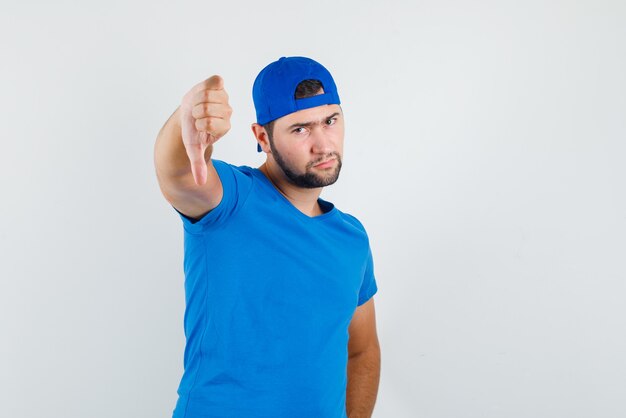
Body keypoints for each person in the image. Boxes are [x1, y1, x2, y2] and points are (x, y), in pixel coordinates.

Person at [154, 56, 380, 418]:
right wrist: (186, 123)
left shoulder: (351, 237)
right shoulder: (232, 200)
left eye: (330, 121)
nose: (323, 144)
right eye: (300, 129)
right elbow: (178, 175)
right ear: (263, 137)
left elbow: (362, 350)